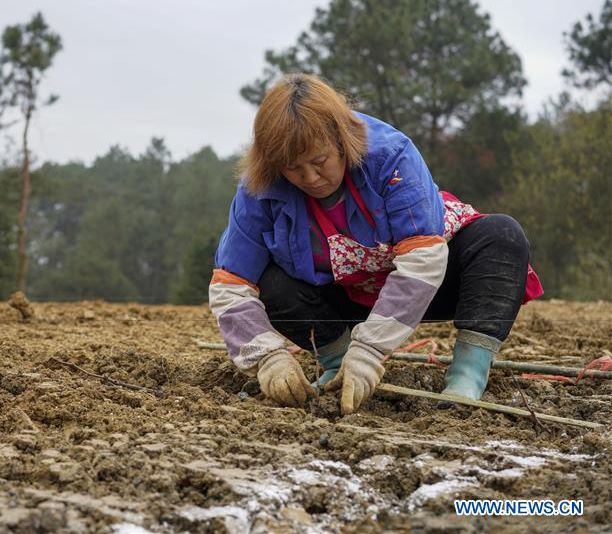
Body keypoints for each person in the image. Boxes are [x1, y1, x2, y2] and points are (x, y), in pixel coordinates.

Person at [208, 74, 542, 414]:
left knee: (502, 236)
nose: (310, 178)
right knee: (269, 281)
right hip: (341, 300)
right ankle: (337, 363)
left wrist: (370, 350)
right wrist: (266, 358)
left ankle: (468, 373)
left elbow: (423, 258)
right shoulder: (259, 187)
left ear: (340, 140)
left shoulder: (391, 155)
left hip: (428, 285)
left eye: (319, 161)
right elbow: (231, 284)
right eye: (294, 169)